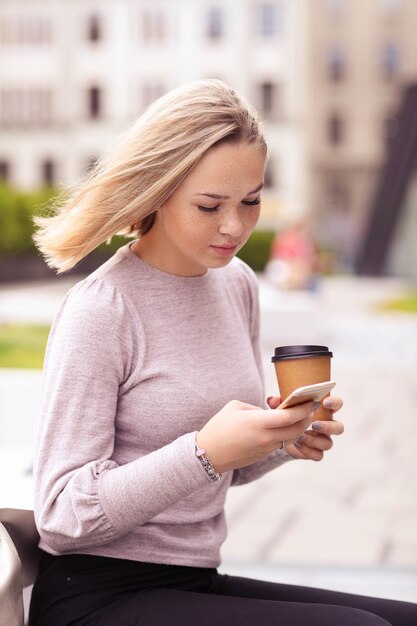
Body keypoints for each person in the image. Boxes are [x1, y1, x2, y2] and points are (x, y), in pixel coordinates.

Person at [29, 79, 416, 626]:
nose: (234, 226)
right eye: (210, 206)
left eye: (251, 201)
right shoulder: (102, 309)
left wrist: (279, 438)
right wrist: (203, 451)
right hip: (95, 593)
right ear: (157, 190)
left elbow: (220, 471)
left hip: (193, 581)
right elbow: (61, 515)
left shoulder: (236, 283)